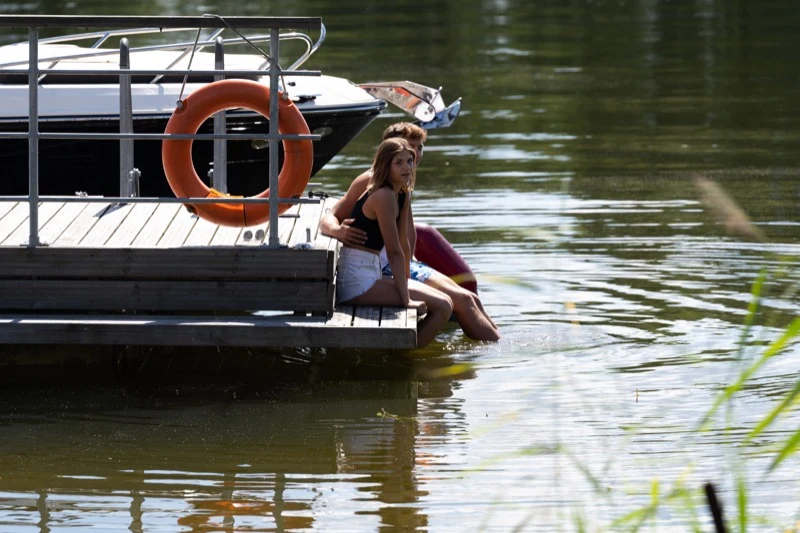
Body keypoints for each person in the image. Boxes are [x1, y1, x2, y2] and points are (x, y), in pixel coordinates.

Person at [321, 123, 500, 341]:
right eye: (407, 150)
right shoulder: (372, 183)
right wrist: (338, 231)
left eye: (418, 149)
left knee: (470, 297)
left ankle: (497, 344)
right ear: (387, 152)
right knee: (460, 301)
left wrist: (410, 264)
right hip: (380, 267)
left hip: (399, 263)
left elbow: (405, 237)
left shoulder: (403, 186)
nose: (414, 156)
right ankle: (494, 354)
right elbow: (331, 215)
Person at [335, 137, 453, 348]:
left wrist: (406, 280)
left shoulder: (401, 194)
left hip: (372, 274)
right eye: (398, 162)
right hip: (356, 280)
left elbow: (404, 243)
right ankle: (406, 361)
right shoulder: (383, 195)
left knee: (446, 302)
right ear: (385, 165)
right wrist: (406, 298)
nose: (406, 167)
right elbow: (394, 251)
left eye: (409, 161)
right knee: (443, 306)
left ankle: (405, 356)